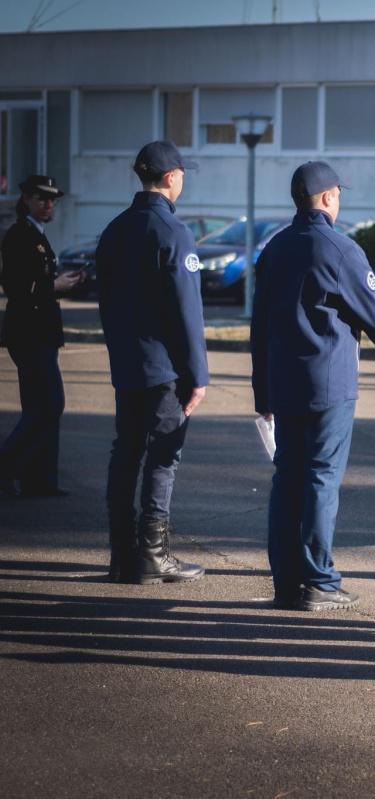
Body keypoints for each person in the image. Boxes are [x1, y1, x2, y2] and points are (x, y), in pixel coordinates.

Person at [251, 161, 375, 611]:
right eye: (338, 193)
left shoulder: (274, 249)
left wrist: (263, 393)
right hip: (329, 383)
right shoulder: (339, 249)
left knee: (288, 480)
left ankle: (286, 579)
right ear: (326, 198)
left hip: (284, 382)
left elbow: (258, 328)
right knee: (321, 480)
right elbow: (372, 310)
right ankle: (319, 580)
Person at [95, 141, 207, 585]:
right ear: (171, 178)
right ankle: (153, 554)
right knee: (163, 456)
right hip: (163, 368)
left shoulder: (115, 229)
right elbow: (187, 312)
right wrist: (198, 374)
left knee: (125, 453)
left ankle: (122, 554)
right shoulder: (172, 232)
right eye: (182, 173)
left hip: (126, 362)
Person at [0, 175, 82, 497]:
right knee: (48, 405)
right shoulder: (20, 235)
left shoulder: (38, 235)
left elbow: (39, 281)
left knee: (41, 406)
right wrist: (55, 286)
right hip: (29, 334)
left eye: (52, 199)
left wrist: (63, 282)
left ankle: (40, 479)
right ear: (27, 200)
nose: (49, 204)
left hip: (41, 333)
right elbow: (18, 288)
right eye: (42, 198)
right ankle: (7, 467)